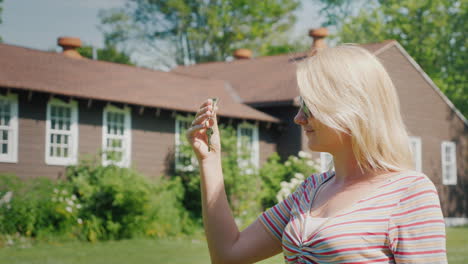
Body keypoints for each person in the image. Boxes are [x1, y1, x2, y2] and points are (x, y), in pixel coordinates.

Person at [185, 45, 447, 263]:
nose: (299, 118)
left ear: (350, 108)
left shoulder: (409, 192)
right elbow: (228, 254)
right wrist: (209, 161)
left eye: (310, 107)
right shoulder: (310, 191)